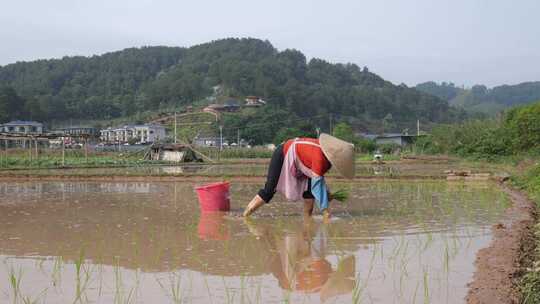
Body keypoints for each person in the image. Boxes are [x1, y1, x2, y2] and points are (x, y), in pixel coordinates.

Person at [242, 133, 355, 219]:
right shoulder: (319, 156)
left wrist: (327, 194)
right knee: (269, 190)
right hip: (283, 153)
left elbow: (318, 179)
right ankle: (246, 215)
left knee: (309, 194)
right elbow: (317, 184)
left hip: (301, 162)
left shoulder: (327, 161)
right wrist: (326, 211)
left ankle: (307, 225)